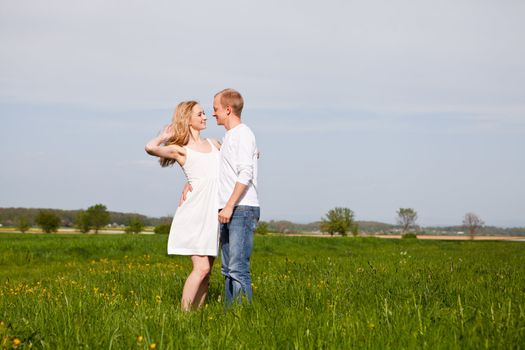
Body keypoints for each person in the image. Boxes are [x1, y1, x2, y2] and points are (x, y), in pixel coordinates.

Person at [182, 88, 260, 305]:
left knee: (238, 268)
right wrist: (190, 182)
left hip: (241, 208)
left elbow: (246, 173)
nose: (212, 113)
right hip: (230, 209)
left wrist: (229, 206)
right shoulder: (230, 137)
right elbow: (213, 168)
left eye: (215, 109)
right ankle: (230, 315)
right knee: (228, 269)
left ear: (227, 109)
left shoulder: (243, 134)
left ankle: (242, 317)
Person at [145, 100, 221, 311]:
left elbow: (231, 163)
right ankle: (184, 315)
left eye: (205, 113)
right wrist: (163, 136)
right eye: (200, 114)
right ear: (187, 119)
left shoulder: (215, 144)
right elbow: (150, 148)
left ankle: (197, 315)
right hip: (195, 212)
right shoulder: (181, 150)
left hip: (213, 214)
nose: (205, 117)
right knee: (201, 267)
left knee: (207, 272)